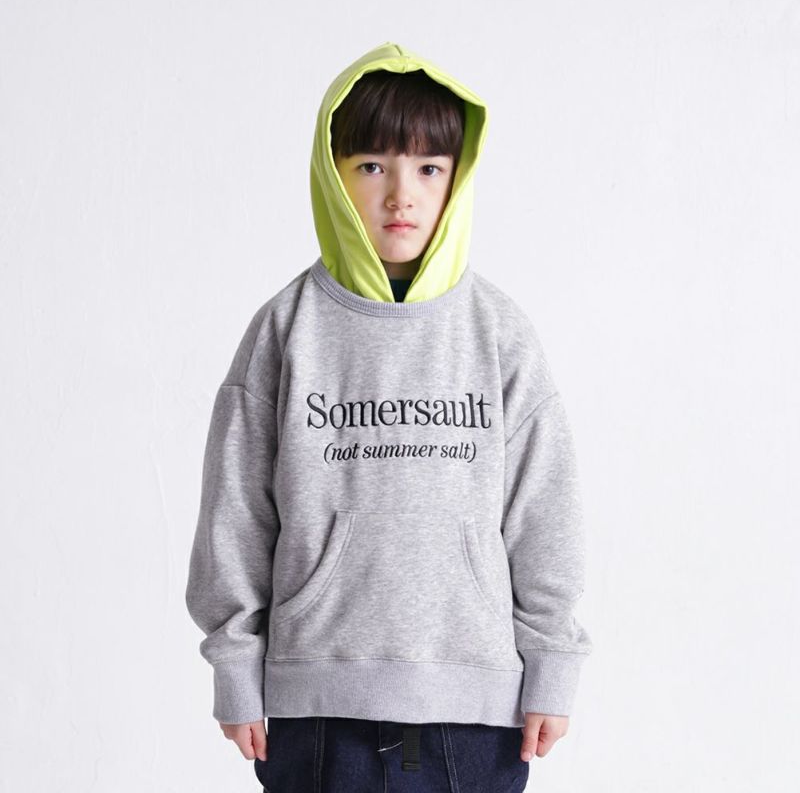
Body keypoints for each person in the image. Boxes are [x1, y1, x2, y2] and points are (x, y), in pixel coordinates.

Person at [185, 41, 593, 792]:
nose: (401, 195)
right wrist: (235, 665)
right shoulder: (285, 330)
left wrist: (553, 664)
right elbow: (235, 512)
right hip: (316, 708)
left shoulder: (498, 333)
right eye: (373, 166)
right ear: (332, 174)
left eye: (428, 169)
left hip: (477, 710)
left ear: (457, 179)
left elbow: (544, 512)